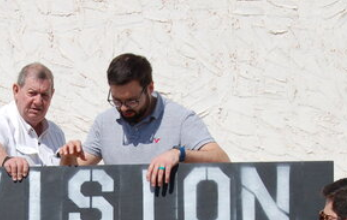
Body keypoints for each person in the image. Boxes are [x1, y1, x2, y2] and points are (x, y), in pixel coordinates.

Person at [60, 53, 230, 186]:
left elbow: (222, 160)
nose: (124, 108)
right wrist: (69, 157)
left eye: (132, 101)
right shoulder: (104, 122)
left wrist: (179, 154)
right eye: (117, 101)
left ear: (150, 88)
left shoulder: (180, 118)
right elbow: (72, 175)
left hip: (167, 217)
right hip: (121, 217)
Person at [0, 62, 74, 182]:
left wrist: (70, 159)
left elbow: (60, 181)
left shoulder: (57, 133)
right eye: (32, 93)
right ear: (16, 91)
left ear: (52, 95)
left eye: (44, 95)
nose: (38, 101)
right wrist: (7, 161)